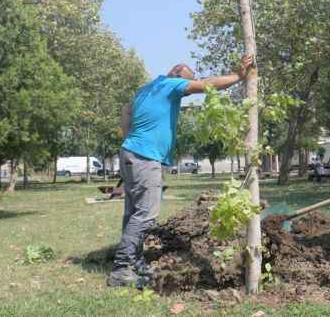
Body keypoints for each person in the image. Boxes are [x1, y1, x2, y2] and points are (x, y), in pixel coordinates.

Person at [106, 54, 255, 287]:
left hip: (132, 153)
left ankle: (133, 262)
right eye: (187, 81)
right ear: (177, 72)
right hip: (145, 157)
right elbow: (206, 85)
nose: (185, 90)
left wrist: (130, 141)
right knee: (146, 214)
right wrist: (238, 75)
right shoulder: (170, 83)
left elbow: (126, 112)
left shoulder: (147, 89)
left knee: (133, 212)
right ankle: (121, 270)